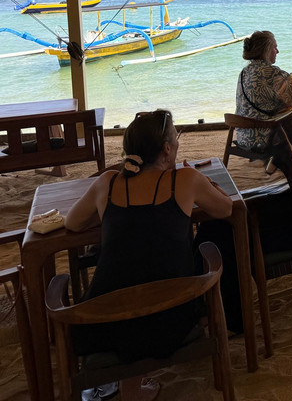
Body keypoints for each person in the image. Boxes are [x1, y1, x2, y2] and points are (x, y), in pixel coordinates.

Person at [65, 110, 233, 401]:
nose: (177, 142)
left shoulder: (108, 183)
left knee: (131, 276)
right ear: (167, 149)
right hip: (172, 322)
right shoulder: (186, 179)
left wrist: (107, 215)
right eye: (176, 137)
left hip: (105, 325)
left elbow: (72, 223)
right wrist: (210, 185)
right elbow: (225, 208)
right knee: (166, 270)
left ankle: (131, 388)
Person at [235, 30, 292, 152]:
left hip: (244, 137)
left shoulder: (244, 72)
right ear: (266, 49)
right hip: (265, 139)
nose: (278, 51)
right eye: (275, 47)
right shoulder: (272, 73)